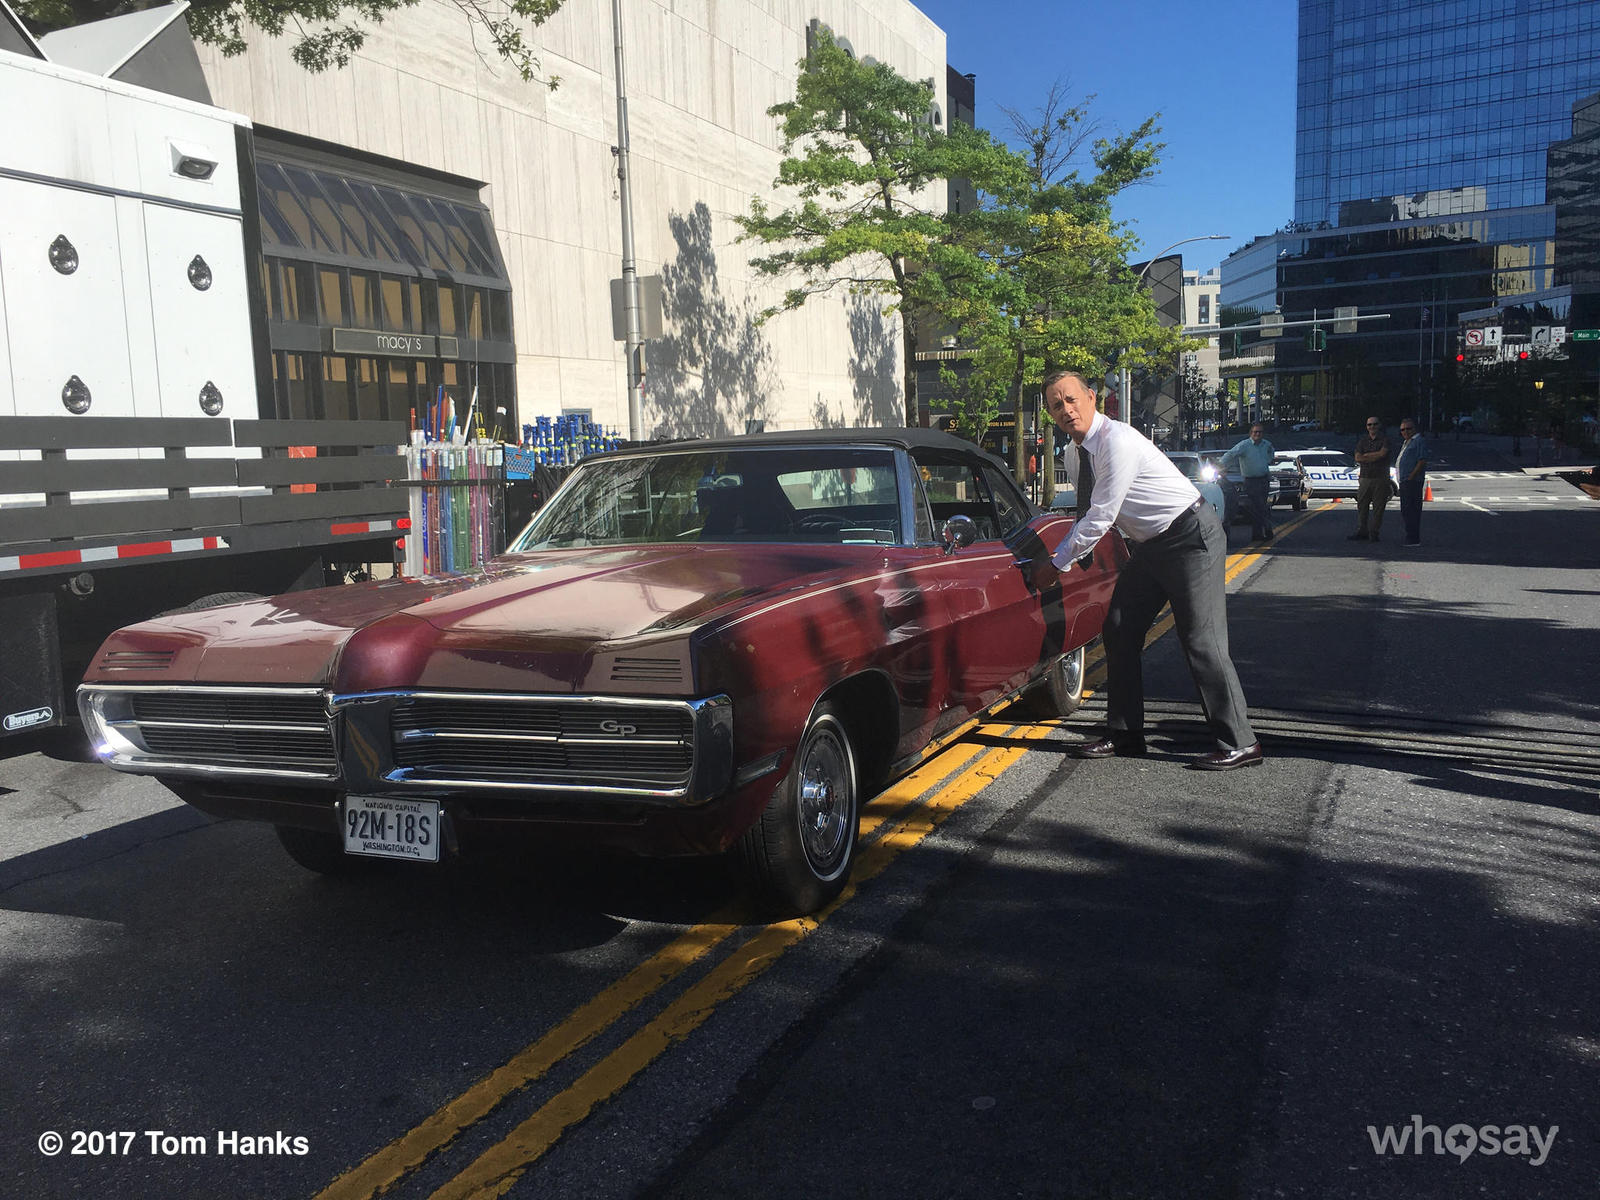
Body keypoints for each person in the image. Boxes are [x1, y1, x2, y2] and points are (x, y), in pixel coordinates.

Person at [1044, 369, 1262, 771]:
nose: (1066, 410)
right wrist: (1078, 556)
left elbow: (1101, 514)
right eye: (1057, 405)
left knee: (1200, 639)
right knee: (1120, 626)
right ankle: (1126, 733)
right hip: (1149, 546)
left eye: (1072, 399)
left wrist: (1057, 562)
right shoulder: (1073, 455)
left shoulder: (1118, 441)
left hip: (1190, 536)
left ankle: (1240, 741)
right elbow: (1094, 515)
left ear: (1092, 397)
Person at [1220, 422, 1276, 541]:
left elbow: (1271, 455)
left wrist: (1267, 461)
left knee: (1261, 507)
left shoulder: (1267, 445)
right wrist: (1219, 464)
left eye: (1260, 432)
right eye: (1255, 432)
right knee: (1258, 506)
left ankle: (1258, 534)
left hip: (1264, 479)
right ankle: (1267, 529)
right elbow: (1230, 454)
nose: (1257, 434)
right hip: (1250, 481)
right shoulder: (1244, 445)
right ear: (1251, 433)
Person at [1350, 416, 1393, 542]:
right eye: (1369, 425)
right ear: (1366, 426)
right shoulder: (1362, 441)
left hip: (1381, 477)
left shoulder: (1385, 440)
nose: (1372, 427)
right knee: (1362, 505)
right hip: (1365, 477)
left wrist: (1367, 456)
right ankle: (1362, 531)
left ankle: (1374, 533)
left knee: (1378, 507)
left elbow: (1383, 454)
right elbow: (1358, 457)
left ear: (1379, 425)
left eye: (1374, 424)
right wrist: (1374, 456)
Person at [1395, 416, 1427, 546]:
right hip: (1404, 481)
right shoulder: (1407, 442)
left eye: (1408, 428)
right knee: (1406, 510)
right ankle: (1410, 536)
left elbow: (1422, 460)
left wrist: (1411, 476)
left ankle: (1413, 539)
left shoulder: (1418, 441)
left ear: (1414, 429)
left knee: (1411, 510)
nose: (1405, 432)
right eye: (1403, 429)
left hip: (1412, 482)